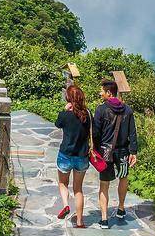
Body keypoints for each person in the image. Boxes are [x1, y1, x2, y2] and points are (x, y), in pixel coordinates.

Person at [92, 78, 138, 228]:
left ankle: (104, 219)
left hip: (106, 153)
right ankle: (121, 208)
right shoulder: (128, 110)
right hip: (124, 151)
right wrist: (133, 151)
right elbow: (133, 133)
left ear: (108, 92)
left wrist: (95, 149)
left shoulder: (101, 109)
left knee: (104, 184)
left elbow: (96, 133)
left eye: (101, 91)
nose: (100, 93)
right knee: (123, 177)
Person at [55, 84, 91, 227]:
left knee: (63, 183)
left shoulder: (65, 115)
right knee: (78, 189)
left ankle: (65, 205)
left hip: (65, 155)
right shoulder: (87, 115)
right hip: (82, 156)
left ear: (69, 99)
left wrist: (64, 111)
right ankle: (80, 221)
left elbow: (58, 124)